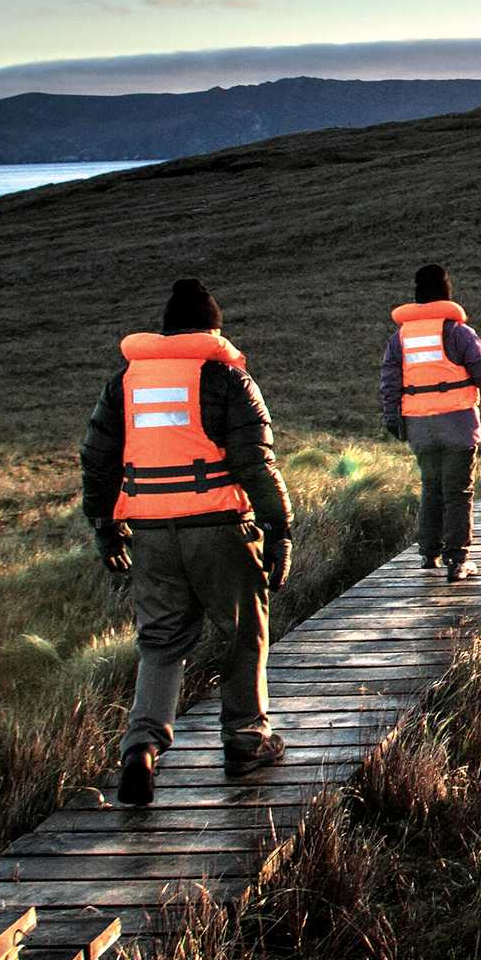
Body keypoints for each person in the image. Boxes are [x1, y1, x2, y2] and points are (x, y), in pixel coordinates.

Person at [79, 277, 293, 807]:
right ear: (212, 329)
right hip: (220, 530)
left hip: (149, 535)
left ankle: (141, 749)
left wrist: (105, 526)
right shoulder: (226, 378)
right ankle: (247, 740)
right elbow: (255, 463)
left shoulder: (124, 383)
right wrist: (280, 529)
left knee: (160, 644)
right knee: (243, 634)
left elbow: (97, 459)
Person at [380, 263, 481, 580]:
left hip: (419, 426)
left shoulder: (400, 337)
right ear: (446, 292)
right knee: (458, 492)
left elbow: (388, 381)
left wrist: (392, 418)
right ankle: (458, 559)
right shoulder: (457, 332)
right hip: (457, 423)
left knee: (431, 487)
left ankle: (429, 553)